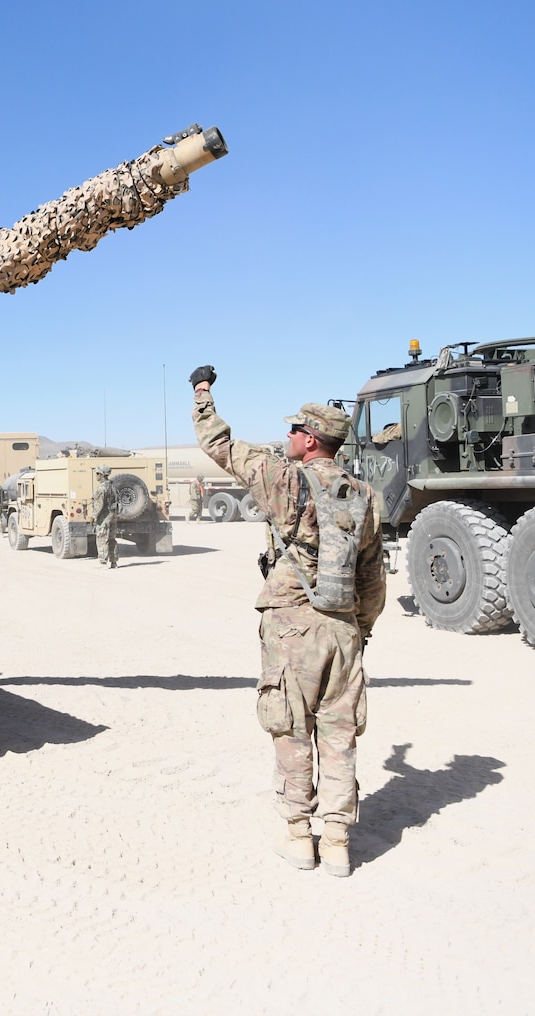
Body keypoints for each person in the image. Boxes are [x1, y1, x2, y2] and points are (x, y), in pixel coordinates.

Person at [190, 365, 385, 878]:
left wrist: (203, 393)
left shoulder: (284, 481)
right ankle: (339, 843)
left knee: (291, 727)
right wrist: (358, 628)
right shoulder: (364, 497)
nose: (287, 437)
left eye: (295, 431)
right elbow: (372, 578)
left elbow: (221, 445)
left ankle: (301, 836)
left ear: (311, 440)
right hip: (344, 628)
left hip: (293, 625)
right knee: (339, 734)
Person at [90, 466, 118, 568]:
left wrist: (93, 517)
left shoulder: (101, 488)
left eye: (97, 473)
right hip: (113, 516)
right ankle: (114, 562)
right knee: (112, 539)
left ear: (101, 475)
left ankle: (103, 562)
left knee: (102, 539)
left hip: (104, 517)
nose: (96, 476)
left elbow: (99, 505)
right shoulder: (113, 486)